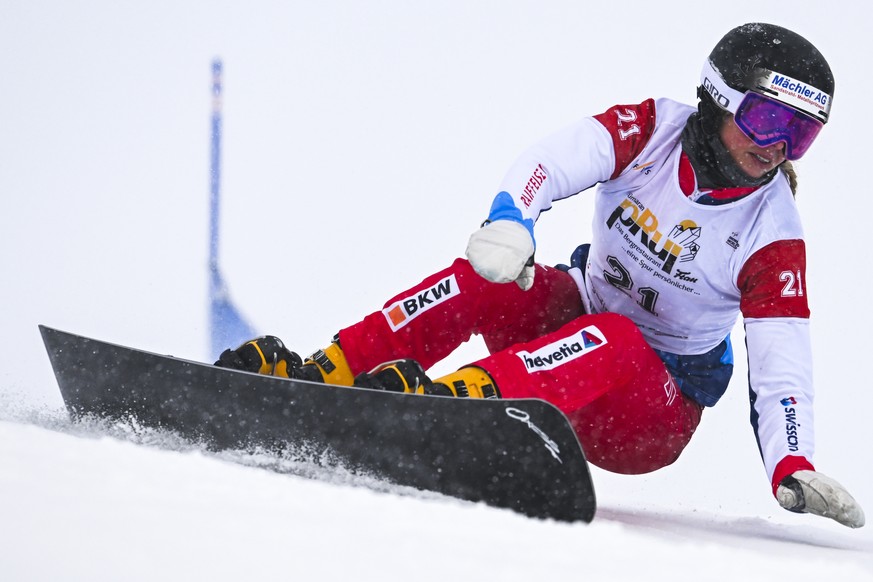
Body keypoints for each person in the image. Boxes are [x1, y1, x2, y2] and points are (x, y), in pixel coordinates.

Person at [216, 23, 864, 528]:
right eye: (768, 119)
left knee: (616, 333)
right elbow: (550, 162)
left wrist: (792, 461)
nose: (777, 146)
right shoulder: (650, 130)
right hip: (572, 337)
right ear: (718, 98)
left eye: (800, 134)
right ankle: (329, 371)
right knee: (489, 275)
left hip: (648, 416)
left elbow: (781, 362)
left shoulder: (770, 232)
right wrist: (511, 220)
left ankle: (461, 409)